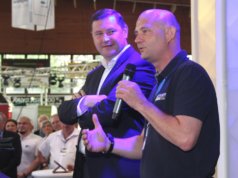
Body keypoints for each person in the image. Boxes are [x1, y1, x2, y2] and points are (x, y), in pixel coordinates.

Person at [82, 9, 220, 178]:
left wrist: (141, 103)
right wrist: (109, 144)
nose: (137, 39)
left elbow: (185, 137)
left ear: (169, 33)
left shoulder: (189, 74)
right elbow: (144, 143)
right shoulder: (160, 81)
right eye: (136, 33)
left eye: (145, 31)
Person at [58, 8, 155, 178]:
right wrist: (87, 101)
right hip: (87, 166)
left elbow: (111, 112)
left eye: (111, 31)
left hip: (118, 167)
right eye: (98, 33)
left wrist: (79, 111)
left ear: (124, 31)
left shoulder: (138, 65)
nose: (105, 39)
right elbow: (64, 113)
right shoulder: (94, 74)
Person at [0, 112, 22, 178]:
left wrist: (2, 173)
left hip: (7, 174)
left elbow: (16, 158)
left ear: (3, 123)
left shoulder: (14, 136)